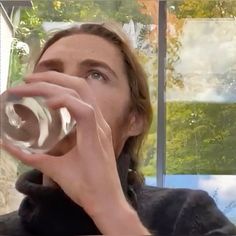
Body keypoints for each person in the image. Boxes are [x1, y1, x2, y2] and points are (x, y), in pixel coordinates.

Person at [0, 22, 236, 236]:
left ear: (134, 119)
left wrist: (111, 211)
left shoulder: (185, 215)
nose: (66, 87)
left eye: (95, 75)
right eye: (51, 72)